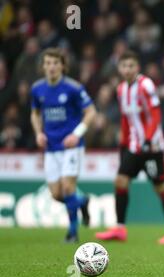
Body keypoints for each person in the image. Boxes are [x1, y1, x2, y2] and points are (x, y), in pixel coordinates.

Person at [95, 50, 164, 245]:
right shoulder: (120, 89)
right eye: (124, 66)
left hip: (151, 147)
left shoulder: (146, 85)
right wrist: (124, 143)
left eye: (131, 66)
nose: (127, 70)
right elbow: (126, 119)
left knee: (161, 186)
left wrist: (149, 138)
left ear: (137, 67)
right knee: (120, 181)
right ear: (119, 68)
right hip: (133, 146)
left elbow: (155, 113)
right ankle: (119, 228)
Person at [30, 48, 96, 243]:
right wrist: (38, 133)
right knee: (57, 194)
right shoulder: (37, 89)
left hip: (71, 146)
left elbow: (91, 112)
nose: (51, 67)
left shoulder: (74, 88)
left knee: (68, 188)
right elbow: (34, 113)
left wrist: (76, 134)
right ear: (43, 66)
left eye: (55, 63)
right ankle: (83, 202)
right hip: (51, 147)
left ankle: (72, 233)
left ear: (62, 66)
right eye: (48, 63)